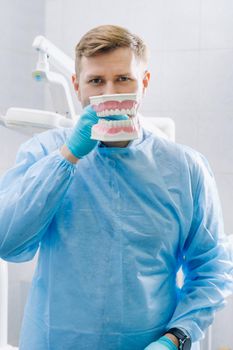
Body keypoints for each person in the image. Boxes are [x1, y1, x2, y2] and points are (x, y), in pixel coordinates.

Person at [0, 25, 232, 350]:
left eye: (123, 79)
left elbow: (211, 267)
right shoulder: (42, 152)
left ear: (144, 84)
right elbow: (7, 242)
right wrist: (67, 157)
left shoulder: (185, 169)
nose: (110, 93)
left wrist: (176, 337)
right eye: (96, 81)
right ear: (77, 87)